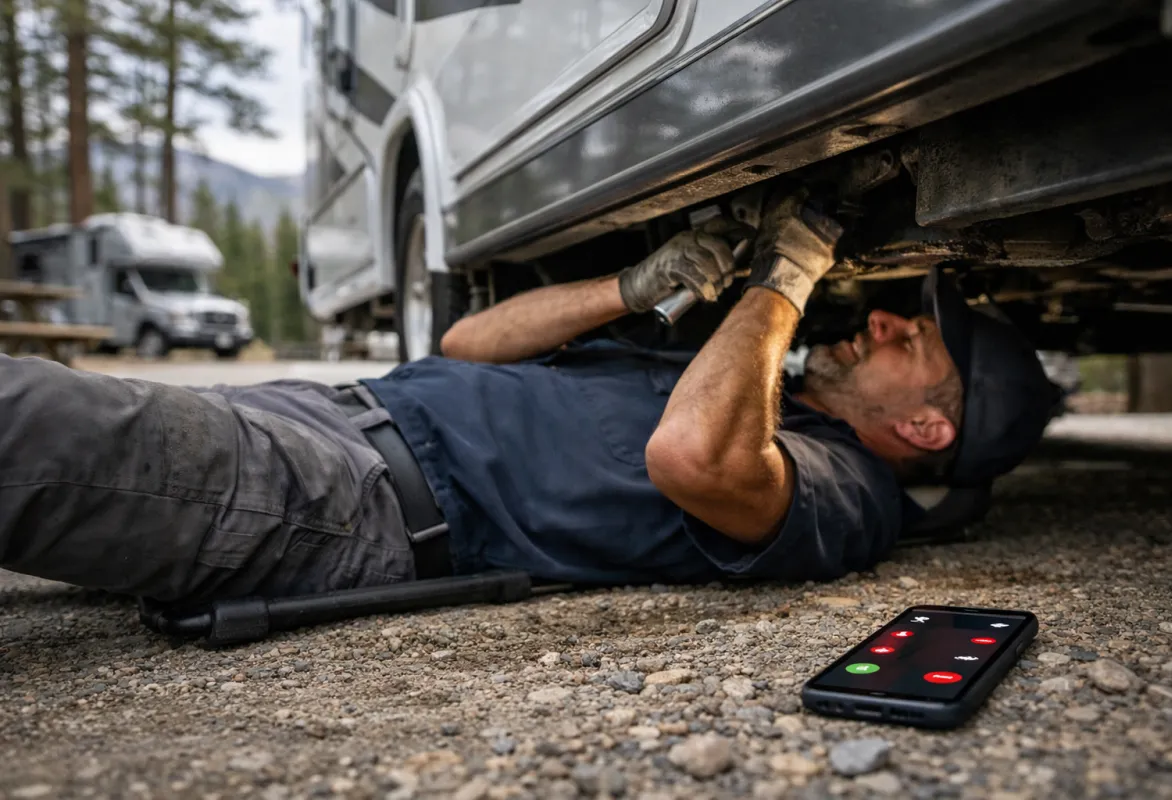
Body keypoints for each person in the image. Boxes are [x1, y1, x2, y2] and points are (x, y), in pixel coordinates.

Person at [0, 195, 1059, 607]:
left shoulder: (848, 490)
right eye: (897, 313)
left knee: (28, 424)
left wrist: (787, 278)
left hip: (343, 494)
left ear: (925, 429)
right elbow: (466, 343)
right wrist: (633, 287)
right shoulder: (766, 395)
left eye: (907, 340)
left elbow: (694, 459)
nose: (877, 321)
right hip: (331, 411)